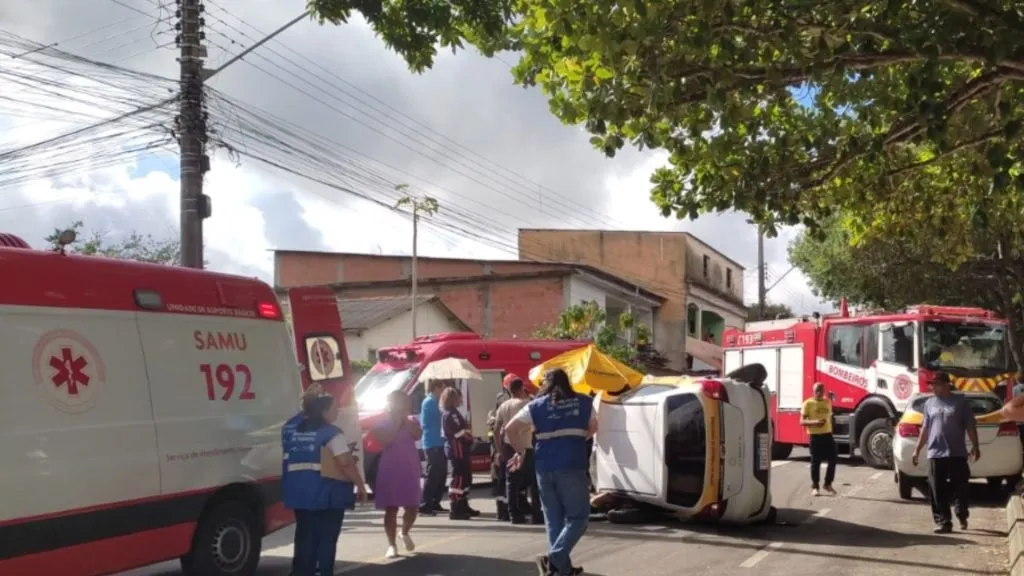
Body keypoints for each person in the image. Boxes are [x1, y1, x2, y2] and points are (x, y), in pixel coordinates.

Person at [505, 368, 595, 576]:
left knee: (553, 520)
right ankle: (554, 559)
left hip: (544, 467)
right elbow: (593, 427)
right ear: (567, 382)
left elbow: (509, 429)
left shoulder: (535, 405)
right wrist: (578, 438)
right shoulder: (584, 402)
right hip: (572, 465)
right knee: (578, 518)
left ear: (545, 384)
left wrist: (520, 452)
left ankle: (561, 571)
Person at [282, 386, 368, 576]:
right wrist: (360, 485)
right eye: (334, 407)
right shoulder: (330, 433)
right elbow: (345, 462)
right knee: (326, 540)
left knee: (305, 538)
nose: (337, 410)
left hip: (299, 493)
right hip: (327, 494)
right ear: (324, 410)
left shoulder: (291, 428)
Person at [912, 372, 980, 533]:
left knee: (961, 487)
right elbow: (925, 429)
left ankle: (961, 513)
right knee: (937, 489)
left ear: (946, 385)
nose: (933, 387)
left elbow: (970, 426)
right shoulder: (929, 404)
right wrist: (917, 449)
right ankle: (944, 522)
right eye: (932, 384)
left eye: (936, 384)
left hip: (956, 452)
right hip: (935, 452)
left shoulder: (961, 402)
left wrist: (976, 446)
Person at [371, 391, 423, 559]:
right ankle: (391, 544)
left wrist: (406, 422)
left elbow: (418, 434)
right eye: (399, 403)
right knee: (391, 508)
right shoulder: (381, 422)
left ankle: (405, 532)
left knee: (412, 506)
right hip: (391, 469)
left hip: (410, 468)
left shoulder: (411, 421)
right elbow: (385, 441)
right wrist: (396, 422)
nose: (403, 406)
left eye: (405, 403)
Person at [494, 374, 543, 524]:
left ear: (509, 390)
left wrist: (499, 450)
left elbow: (496, 430)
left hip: (509, 447)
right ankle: (537, 514)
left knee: (512, 483)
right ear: (522, 387)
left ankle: (514, 514)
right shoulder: (528, 404)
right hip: (527, 446)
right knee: (534, 482)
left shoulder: (504, 406)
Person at [442, 387, 479, 520]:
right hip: (457, 450)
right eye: (459, 397)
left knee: (466, 477)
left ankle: (463, 503)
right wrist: (470, 439)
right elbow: (458, 433)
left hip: (461, 449)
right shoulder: (451, 414)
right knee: (459, 478)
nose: (461, 400)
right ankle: (456, 507)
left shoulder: (453, 413)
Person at [801, 382, 837, 497]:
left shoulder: (827, 402)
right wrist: (815, 422)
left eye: (821, 391)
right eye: (817, 391)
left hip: (827, 435)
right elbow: (802, 421)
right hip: (815, 436)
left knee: (833, 459)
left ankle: (828, 484)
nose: (819, 393)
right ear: (813, 391)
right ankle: (815, 486)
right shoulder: (807, 403)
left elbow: (829, 417)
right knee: (815, 462)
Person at [419, 379, 447, 516]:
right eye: (443, 387)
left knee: (441, 475)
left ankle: (435, 501)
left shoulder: (437, 401)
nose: (444, 390)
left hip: (441, 443)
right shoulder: (430, 402)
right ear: (436, 387)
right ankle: (425, 503)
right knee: (433, 475)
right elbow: (440, 416)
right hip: (433, 443)